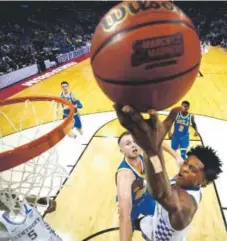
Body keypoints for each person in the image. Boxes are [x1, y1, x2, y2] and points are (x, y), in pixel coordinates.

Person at [114, 104, 222, 241]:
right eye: (186, 163)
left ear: (204, 181)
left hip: (159, 237)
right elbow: (161, 174)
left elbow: (161, 193)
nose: (184, 168)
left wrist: (151, 149)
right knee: (137, 221)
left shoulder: (185, 207)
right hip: (153, 223)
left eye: (192, 170)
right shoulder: (187, 181)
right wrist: (144, 180)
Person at [116, 131, 184, 241]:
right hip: (132, 205)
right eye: (128, 144)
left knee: (164, 219)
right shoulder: (125, 175)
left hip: (146, 197)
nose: (133, 145)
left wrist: (176, 155)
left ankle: (149, 233)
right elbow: (125, 217)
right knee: (127, 227)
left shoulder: (142, 153)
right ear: (121, 151)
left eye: (135, 141)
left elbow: (157, 142)